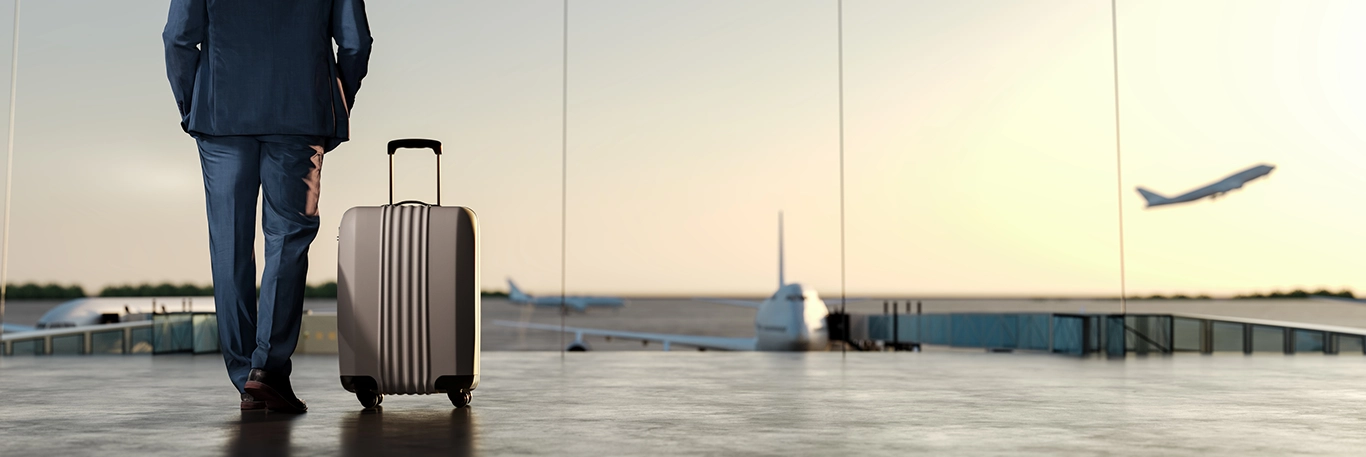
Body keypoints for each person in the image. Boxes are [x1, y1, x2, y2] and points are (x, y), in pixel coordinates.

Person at [162, 0, 373, 413]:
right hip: (300, 113)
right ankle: (267, 371)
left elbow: (178, 37)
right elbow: (354, 43)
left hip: (220, 115)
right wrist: (332, 95)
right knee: (288, 240)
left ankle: (245, 376)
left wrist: (193, 103)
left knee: (229, 246)